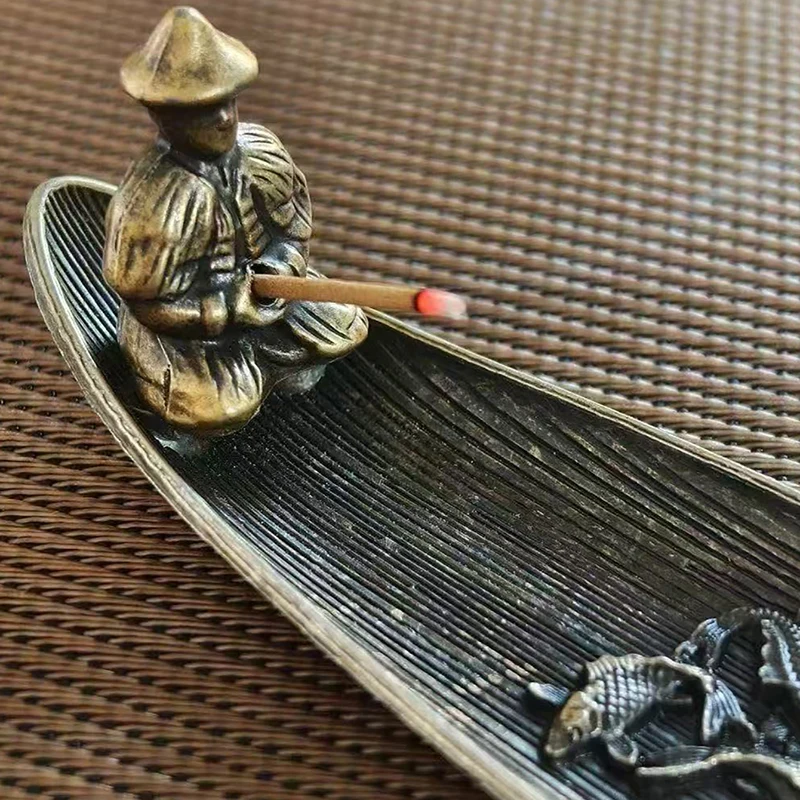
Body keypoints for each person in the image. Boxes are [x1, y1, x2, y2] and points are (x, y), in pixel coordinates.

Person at [104, 6, 368, 435]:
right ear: (164, 116)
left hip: (271, 299)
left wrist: (282, 268)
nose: (224, 118)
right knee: (219, 407)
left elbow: (292, 231)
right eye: (204, 110)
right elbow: (149, 305)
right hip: (185, 333)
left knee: (345, 325)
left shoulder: (261, 152)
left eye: (227, 102)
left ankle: (281, 374)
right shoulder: (151, 202)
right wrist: (227, 309)